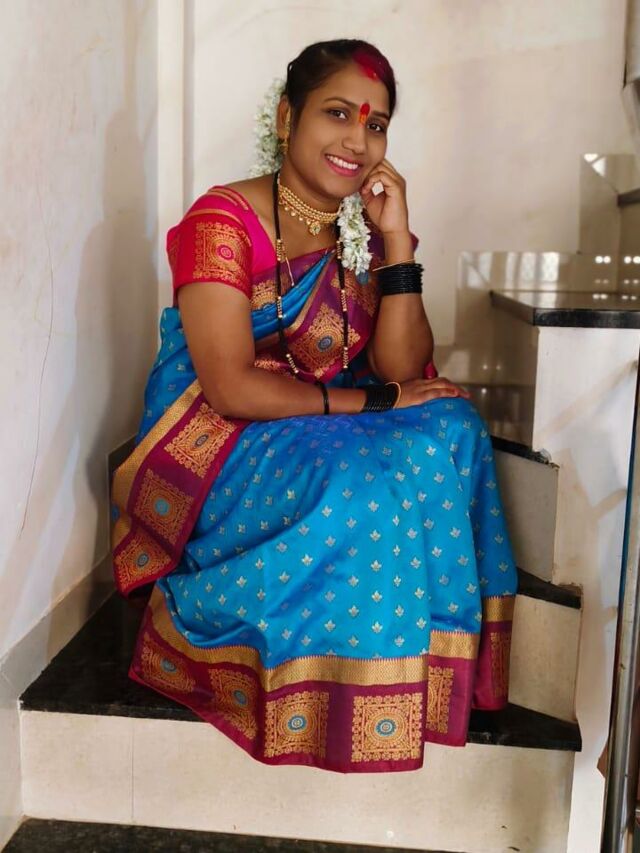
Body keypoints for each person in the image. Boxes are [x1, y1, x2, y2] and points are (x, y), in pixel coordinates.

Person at [111, 39, 518, 773]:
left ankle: (427, 676)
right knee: (369, 468)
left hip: (323, 414)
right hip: (221, 434)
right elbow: (231, 386)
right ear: (286, 117)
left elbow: (402, 367)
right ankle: (331, 690)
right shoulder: (221, 220)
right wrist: (375, 403)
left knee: (455, 426)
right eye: (338, 113)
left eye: (376, 124)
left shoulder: (360, 231)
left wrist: (395, 241)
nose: (358, 140)